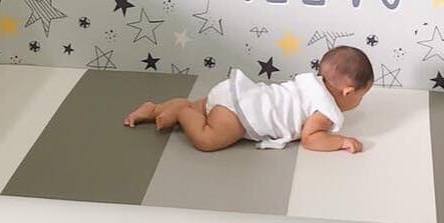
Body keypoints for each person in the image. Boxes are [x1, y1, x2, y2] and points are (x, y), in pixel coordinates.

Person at [124, 45, 373, 153]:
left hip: (236, 92)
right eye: (361, 96)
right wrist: (340, 142)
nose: (358, 103)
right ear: (348, 92)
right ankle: (181, 112)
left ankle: (154, 108)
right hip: (240, 115)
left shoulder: (310, 83)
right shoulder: (325, 110)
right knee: (207, 140)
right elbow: (311, 138)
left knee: (202, 107)